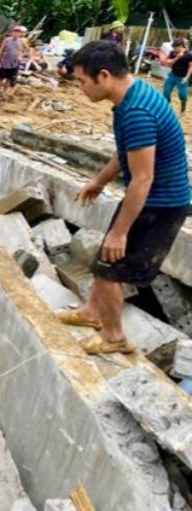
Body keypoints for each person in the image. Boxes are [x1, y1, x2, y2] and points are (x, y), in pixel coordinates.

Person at [58, 41, 191, 354]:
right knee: (105, 261)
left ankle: (114, 338)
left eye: (81, 81)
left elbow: (143, 179)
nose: (80, 88)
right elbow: (126, 152)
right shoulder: (134, 95)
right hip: (152, 199)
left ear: (103, 76)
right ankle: (92, 313)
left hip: (159, 205)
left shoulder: (136, 112)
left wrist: (119, 232)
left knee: (109, 271)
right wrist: (99, 181)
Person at [161, 39, 192, 113]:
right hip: (173, 75)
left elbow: (191, 67)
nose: (174, 49)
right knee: (166, 92)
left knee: (182, 95)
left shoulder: (189, 55)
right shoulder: (172, 53)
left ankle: (183, 106)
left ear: (181, 46)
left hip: (182, 77)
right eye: (173, 47)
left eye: (175, 47)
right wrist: (177, 57)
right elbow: (167, 62)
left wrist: (186, 77)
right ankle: (166, 107)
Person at [0, 25, 26, 99]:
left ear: (20, 34)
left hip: (14, 63)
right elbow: (1, 50)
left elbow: (25, 50)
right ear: (12, 32)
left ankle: (4, 92)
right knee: (1, 78)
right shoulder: (7, 40)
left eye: (18, 32)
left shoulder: (21, 41)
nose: (16, 34)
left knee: (9, 79)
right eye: (15, 32)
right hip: (5, 62)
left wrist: (21, 56)